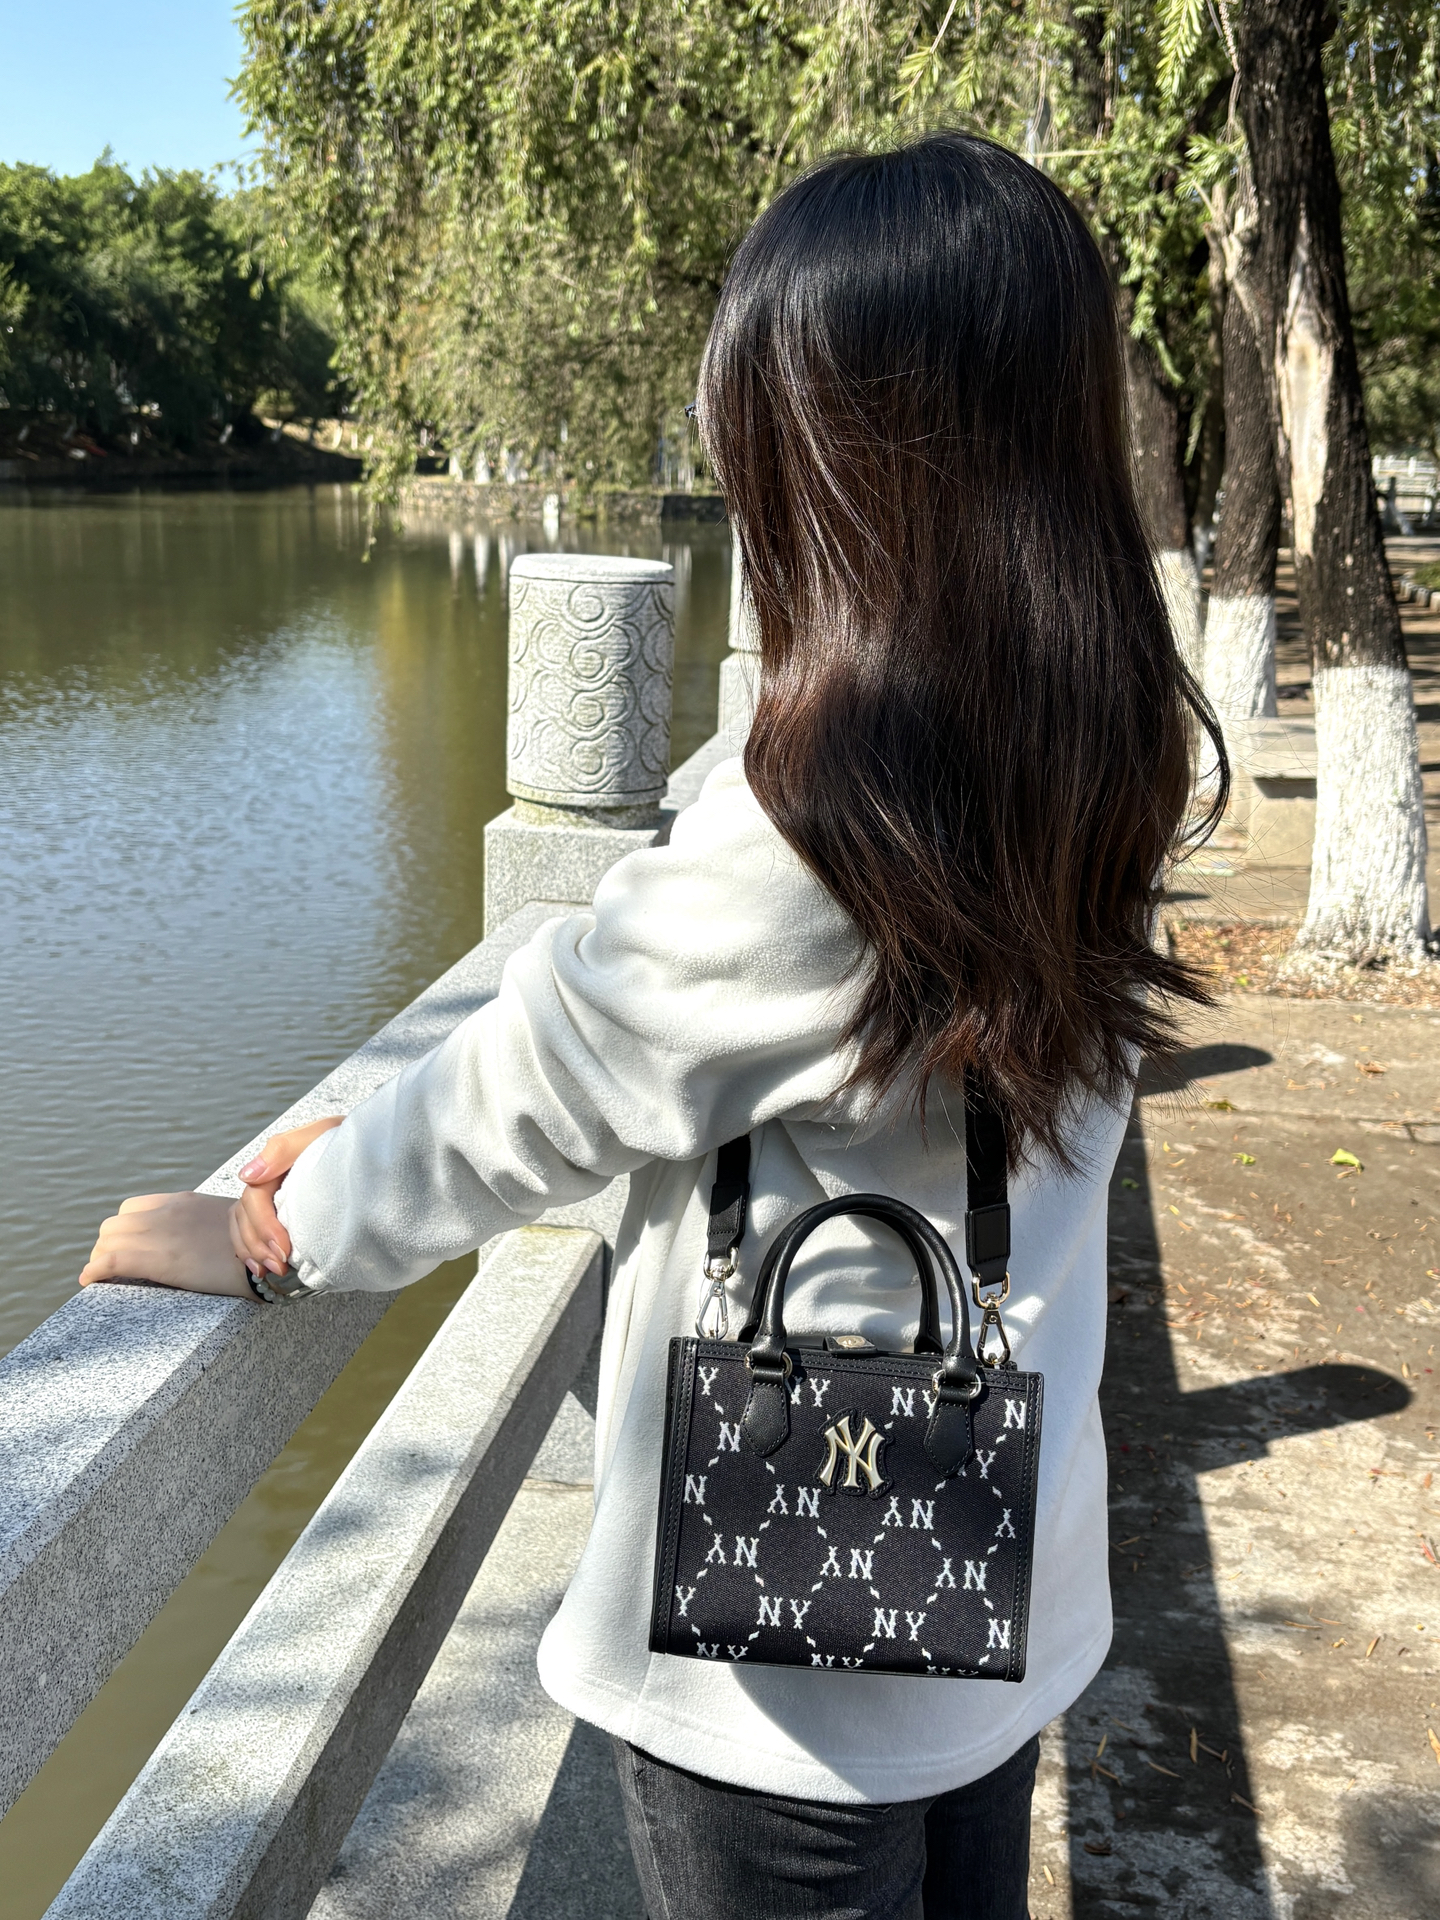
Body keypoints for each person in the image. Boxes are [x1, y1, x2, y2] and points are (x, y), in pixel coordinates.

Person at [82, 132, 1224, 1920]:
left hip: (782, 1661)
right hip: (991, 1580)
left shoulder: (824, 825)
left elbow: (549, 1081)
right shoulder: (1108, 745)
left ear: (843, 470)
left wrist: (274, 1229)